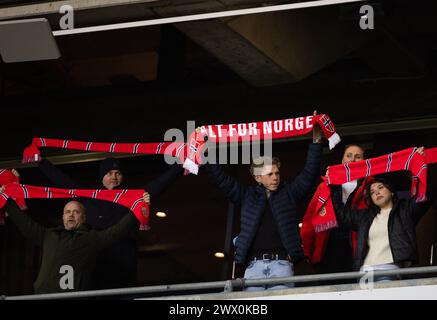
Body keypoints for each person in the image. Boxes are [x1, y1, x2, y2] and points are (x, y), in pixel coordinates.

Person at [201, 119, 323, 291]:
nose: (275, 177)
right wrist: (206, 151)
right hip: (253, 268)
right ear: (258, 178)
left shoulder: (289, 192)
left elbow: (310, 172)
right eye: (269, 174)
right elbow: (221, 180)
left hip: (282, 265)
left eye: (277, 173)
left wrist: (316, 141)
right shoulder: (246, 196)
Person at [34, 156, 183, 289]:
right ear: (102, 176)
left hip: (123, 265)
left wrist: (181, 166)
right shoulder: (89, 197)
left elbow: (157, 185)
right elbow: (62, 181)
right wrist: (41, 162)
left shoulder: (131, 197)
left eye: (117, 173)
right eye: (109, 173)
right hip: (94, 265)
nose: (114, 177)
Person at [0, 187, 149, 293]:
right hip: (44, 298)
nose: (71, 215)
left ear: (84, 218)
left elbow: (118, 230)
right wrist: (5, 199)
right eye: (67, 212)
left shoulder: (92, 238)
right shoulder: (47, 235)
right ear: (63, 217)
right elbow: (23, 222)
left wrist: (137, 207)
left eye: (76, 212)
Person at [330, 147, 435, 282]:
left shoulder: (405, 210)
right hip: (364, 274)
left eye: (380, 188)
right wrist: (334, 184)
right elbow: (340, 214)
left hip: (389, 271)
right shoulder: (364, 217)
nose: (377, 193)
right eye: (372, 192)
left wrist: (417, 165)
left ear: (391, 191)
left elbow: (428, 193)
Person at [300, 144, 367, 277]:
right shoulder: (325, 186)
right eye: (349, 156)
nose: (353, 159)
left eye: (358, 157)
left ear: (364, 162)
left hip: (357, 251)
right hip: (327, 250)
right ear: (342, 160)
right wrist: (306, 253)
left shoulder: (370, 186)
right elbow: (309, 222)